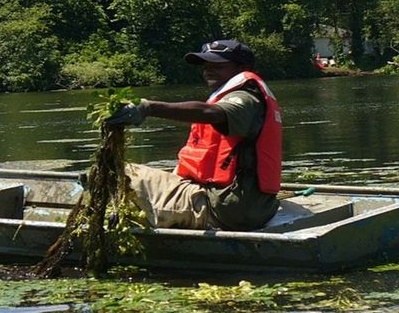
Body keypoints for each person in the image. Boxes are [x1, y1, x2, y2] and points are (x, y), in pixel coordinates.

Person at [106, 39, 282, 231]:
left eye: (218, 66)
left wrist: (149, 108)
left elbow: (211, 113)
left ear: (243, 68)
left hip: (223, 208)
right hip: (248, 206)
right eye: (206, 66)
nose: (209, 71)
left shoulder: (245, 98)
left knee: (114, 172)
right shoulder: (243, 95)